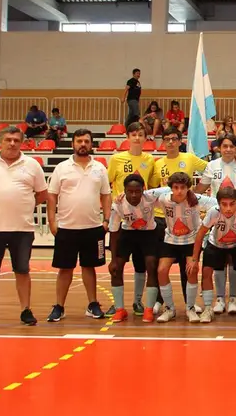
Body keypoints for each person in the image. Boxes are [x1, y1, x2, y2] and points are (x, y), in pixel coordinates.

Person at [0, 126, 48, 329]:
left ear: (22, 142)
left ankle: (25, 310)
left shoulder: (32, 165)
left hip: (22, 228)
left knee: (22, 270)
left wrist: (23, 205)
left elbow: (41, 194)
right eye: (8, 140)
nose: (12, 143)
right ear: (0, 141)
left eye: (16, 140)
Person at [47, 129, 112, 322]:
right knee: (64, 269)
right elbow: (52, 195)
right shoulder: (61, 167)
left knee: (89, 267)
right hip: (66, 227)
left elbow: (106, 195)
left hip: (92, 228)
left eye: (86, 141)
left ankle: (92, 304)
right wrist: (52, 221)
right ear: (73, 144)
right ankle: (59, 306)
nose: (82, 144)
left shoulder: (100, 168)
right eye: (79, 141)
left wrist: (106, 219)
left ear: (91, 144)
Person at [194, 133, 236, 314]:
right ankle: (220, 299)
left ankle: (233, 300)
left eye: (232, 146)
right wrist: (188, 194)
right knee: (220, 260)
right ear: (219, 148)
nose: (228, 149)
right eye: (225, 146)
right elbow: (202, 187)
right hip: (218, 216)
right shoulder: (212, 166)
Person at [148, 127, 208, 314]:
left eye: (174, 138)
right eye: (167, 139)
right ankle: (160, 301)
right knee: (160, 264)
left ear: (180, 140)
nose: (171, 142)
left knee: (186, 265)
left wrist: (195, 193)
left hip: (187, 218)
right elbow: (151, 189)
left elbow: (211, 170)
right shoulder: (157, 163)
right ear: (163, 142)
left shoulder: (189, 158)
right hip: (163, 219)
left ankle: (189, 302)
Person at [107, 122, 157, 317]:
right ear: (127, 136)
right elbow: (107, 184)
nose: (137, 137)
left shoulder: (150, 159)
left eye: (141, 134)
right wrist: (115, 202)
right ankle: (118, 306)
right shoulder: (116, 158)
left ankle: (138, 302)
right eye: (133, 134)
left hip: (145, 221)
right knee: (117, 265)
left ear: (146, 137)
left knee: (143, 265)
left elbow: (153, 188)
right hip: (123, 218)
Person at [191, 187, 236, 324]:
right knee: (207, 271)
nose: (228, 208)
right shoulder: (213, 212)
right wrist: (194, 258)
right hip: (216, 244)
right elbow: (201, 233)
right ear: (218, 204)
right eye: (224, 204)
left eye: (232, 204)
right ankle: (208, 308)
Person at [107, 174, 160, 322]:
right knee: (117, 267)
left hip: (149, 233)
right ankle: (119, 309)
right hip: (127, 233)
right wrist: (112, 260)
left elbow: (171, 191)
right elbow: (114, 231)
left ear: (143, 190)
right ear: (124, 190)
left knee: (151, 264)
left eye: (137, 191)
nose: (134, 194)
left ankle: (147, 308)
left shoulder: (151, 197)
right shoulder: (118, 204)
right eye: (130, 191)